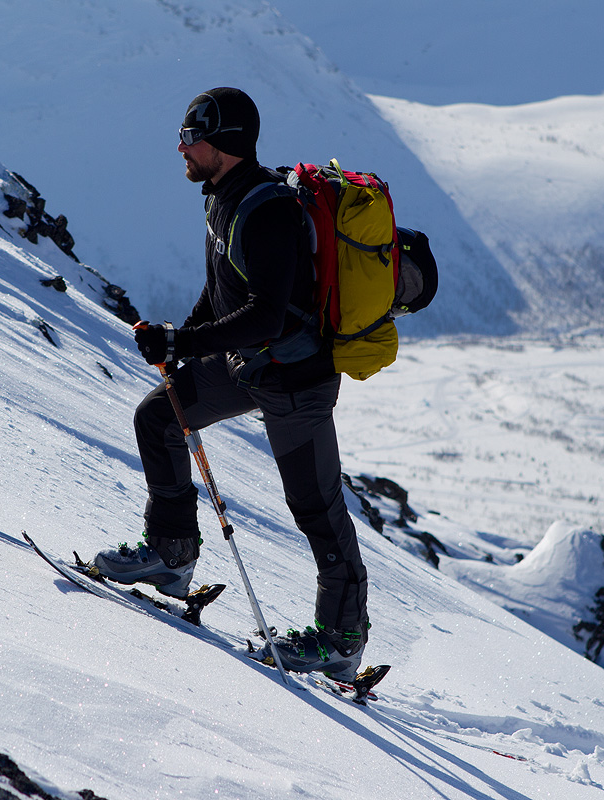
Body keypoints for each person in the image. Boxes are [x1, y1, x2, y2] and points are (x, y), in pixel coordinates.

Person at [93, 87, 369, 679]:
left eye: (192, 138)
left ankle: (341, 639)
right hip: (250, 366)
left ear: (226, 144)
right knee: (160, 417)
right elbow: (224, 287)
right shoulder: (224, 196)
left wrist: (186, 344)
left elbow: (267, 314)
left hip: (295, 379)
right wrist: (182, 335)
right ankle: (171, 555)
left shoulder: (266, 210)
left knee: (316, 509)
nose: (181, 147)